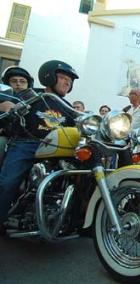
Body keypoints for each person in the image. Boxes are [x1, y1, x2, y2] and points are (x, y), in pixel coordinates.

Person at [0, 60, 78, 235]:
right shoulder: (30, 94)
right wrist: (6, 105)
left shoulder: (68, 108)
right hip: (27, 143)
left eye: (70, 80)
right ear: (49, 77)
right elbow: (7, 103)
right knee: (8, 182)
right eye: (63, 78)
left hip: (58, 148)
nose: (68, 82)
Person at [0, 66, 34, 165]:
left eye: (22, 81)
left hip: (31, 139)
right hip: (9, 137)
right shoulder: (3, 98)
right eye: (14, 81)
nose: (18, 84)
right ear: (7, 84)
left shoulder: (37, 100)